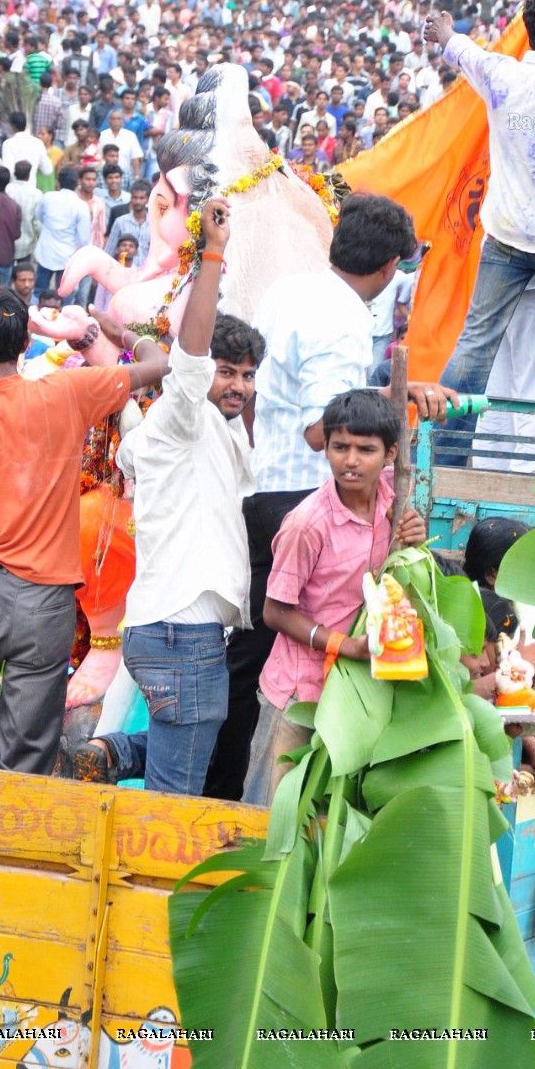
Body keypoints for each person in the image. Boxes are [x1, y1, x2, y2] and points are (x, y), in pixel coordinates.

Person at [204, 193, 458, 801]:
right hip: (300, 497)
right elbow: (328, 429)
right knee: (271, 650)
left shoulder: (289, 290)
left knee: (247, 657)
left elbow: (290, 404)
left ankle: (220, 791)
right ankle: (238, 797)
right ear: (391, 266)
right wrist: (392, 406)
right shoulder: (344, 318)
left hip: (266, 485)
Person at [0, 288, 168, 775]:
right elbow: (159, 365)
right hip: (46, 602)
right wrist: (127, 337)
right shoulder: (69, 391)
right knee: (27, 753)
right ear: (25, 339)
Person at [72, 201, 261, 795]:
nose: (238, 386)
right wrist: (212, 254)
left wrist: (121, 336)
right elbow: (188, 359)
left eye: (248, 374)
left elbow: (155, 368)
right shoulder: (184, 418)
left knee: (193, 752)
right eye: (227, 373)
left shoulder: (168, 430)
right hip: (184, 635)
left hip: (172, 632)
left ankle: (109, 751)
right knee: (175, 792)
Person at [243, 388, 428, 805]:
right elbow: (274, 611)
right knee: (271, 810)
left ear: (390, 453)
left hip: (357, 689)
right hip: (299, 692)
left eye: (366, 449)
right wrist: (345, 646)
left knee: (330, 813)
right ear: (324, 448)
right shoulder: (307, 524)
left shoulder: (393, 500)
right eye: (340, 447)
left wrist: (413, 536)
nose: (351, 460)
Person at [424, 0, 535, 428]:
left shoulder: (501, 73)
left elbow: (463, 51)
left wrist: (444, 31)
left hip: (505, 236)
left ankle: (445, 452)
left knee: (476, 343)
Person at [34, 167, 91, 298]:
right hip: (67, 256)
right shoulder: (81, 206)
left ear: (58, 182)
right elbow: (83, 239)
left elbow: (39, 217)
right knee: (65, 295)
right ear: (78, 183)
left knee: (38, 292)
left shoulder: (48, 197)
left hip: (46, 252)